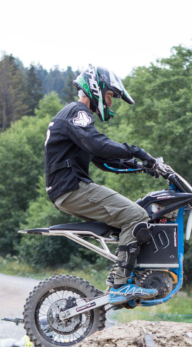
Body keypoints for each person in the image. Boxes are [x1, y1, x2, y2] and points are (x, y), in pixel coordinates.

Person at [44, 65, 158, 305]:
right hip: (72, 187)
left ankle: (122, 275)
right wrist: (136, 150)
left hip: (67, 189)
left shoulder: (75, 117)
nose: (110, 103)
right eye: (109, 97)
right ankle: (120, 285)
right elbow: (98, 145)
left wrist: (141, 166)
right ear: (96, 89)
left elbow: (104, 161)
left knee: (129, 216)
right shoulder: (78, 112)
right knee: (135, 216)